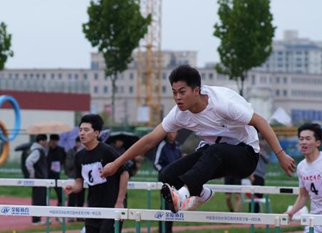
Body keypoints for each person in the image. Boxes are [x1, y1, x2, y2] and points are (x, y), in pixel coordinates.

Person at [102, 65, 296, 213]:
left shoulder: (222, 104)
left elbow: (260, 121)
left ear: (197, 90)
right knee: (167, 176)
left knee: (214, 150)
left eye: (182, 92)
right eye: (174, 92)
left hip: (245, 156)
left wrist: (281, 154)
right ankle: (202, 194)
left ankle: (183, 195)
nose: (178, 98)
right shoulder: (178, 113)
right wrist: (117, 163)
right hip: (215, 155)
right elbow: (149, 140)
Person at [64, 114, 137, 233]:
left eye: (86, 130)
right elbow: (80, 182)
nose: (82, 133)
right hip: (93, 208)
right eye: (80, 130)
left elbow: (124, 174)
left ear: (96, 133)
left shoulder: (107, 151)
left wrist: (119, 201)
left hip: (112, 207)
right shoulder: (79, 155)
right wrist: (72, 188)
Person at [153, 131, 183, 233]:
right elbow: (156, 163)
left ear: (177, 133)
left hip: (176, 180)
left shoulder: (177, 146)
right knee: (165, 206)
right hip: (165, 181)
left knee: (173, 206)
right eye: (169, 132)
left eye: (173, 132)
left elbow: (180, 161)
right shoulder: (162, 145)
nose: (171, 134)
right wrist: (165, 173)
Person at [25, 134, 49, 223]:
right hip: (39, 178)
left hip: (41, 178)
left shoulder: (41, 150)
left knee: (41, 198)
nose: (46, 142)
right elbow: (28, 161)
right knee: (38, 199)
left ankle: (38, 219)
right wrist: (32, 173)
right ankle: (36, 220)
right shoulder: (37, 151)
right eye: (45, 141)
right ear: (41, 141)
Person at [248, 143, 270, 213]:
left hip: (261, 176)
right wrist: (251, 175)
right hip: (255, 175)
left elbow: (267, 161)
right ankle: (252, 212)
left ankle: (257, 212)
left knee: (259, 196)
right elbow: (249, 163)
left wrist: (262, 154)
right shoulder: (252, 150)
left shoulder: (263, 152)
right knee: (254, 195)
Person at [65, 137, 84, 208]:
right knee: (71, 198)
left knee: (80, 198)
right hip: (72, 177)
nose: (78, 144)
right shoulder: (71, 152)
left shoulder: (85, 152)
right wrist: (77, 159)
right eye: (77, 142)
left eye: (80, 142)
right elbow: (68, 164)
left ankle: (80, 213)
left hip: (82, 178)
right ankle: (70, 213)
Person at [47, 134, 66, 205]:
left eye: (56, 141)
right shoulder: (46, 149)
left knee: (60, 193)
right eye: (53, 141)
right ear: (50, 141)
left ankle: (59, 208)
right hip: (47, 174)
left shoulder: (61, 150)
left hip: (56, 175)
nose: (54, 143)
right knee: (45, 193)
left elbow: (64, 160)